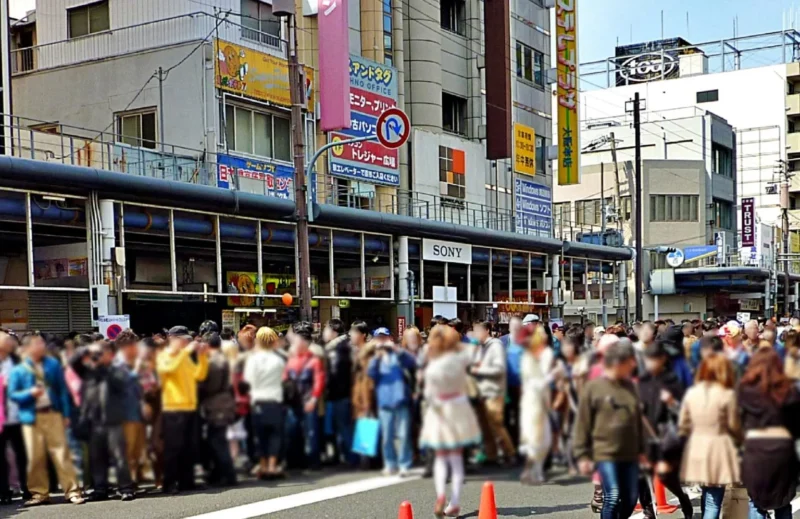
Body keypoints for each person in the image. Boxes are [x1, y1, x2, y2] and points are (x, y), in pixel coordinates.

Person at [9, 332, 84, 506]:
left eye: (42, 344)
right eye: (37, 344)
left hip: (52, 413)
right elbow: (12, 394)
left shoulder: (53, 364)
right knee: (35, 456)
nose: (42, 347)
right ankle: (39, 493)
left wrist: (65, 414)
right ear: (27, 348)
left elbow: (62, 391)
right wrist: (29, 393)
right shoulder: (19, 370)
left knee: (61, 454)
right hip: (31, 416)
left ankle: (72, 491)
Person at [573, 340, 643, 519]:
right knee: (613, 496)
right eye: (629, 362)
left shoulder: (631, 387)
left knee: (630, 498)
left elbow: (638, 420)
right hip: (605, 451)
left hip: (630, 452)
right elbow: (583, 423)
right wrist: (582, 454)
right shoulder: (594, 387)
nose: (633, 366)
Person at [419, 325, 481, 518]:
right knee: (456, 458)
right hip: (458, 407)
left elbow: (429, 392)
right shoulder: (460, 358)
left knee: (440, 457)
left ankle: (441, 495)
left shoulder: (433, 363)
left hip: (439, 408)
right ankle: (454, 501)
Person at [70, 340, 136, 502]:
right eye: (96, 354)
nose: (97, 357)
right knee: (96, 457)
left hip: (113, 420)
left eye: (102, 353)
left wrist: (105, 367)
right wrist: (86, 349)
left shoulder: (118, 370)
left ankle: (126, 488)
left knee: (119, 456)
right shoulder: (88, 371)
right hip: (93, 421)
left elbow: (121, 384)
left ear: (111, 355)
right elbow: (73, 362)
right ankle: (100, 489)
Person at [738, 348, 800, 519]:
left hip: (755, 448)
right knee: (783, 501)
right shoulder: (788, 390)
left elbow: (738, 422)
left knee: (756, 502)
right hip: (782, 448)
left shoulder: (744, 391)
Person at [678, 353, 741, 519]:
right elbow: (734, 426)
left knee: (707, 493)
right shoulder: (726, 395)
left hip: (696, 448)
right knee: (714, 500)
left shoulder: (692, 393)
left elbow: (683, 424)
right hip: (718, 448)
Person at [637, 342, 692, 519]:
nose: (650, 364)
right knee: (640, 476)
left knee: (666, 476)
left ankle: (684, 500)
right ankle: (648, 510)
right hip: (644, 434)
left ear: (662, 360)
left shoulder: (671, 380)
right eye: (647, 360)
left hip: (666, 436)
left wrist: (671, 403)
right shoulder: (642, 381)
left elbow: (684, 411)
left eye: (653, 360)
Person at [157, 326, 209, 494]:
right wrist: (186, 353)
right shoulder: (164, 356)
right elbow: (168, 370)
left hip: (190, 407)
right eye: (183, 340)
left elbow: (199, 375)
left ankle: (187, 481)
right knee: (173, 447)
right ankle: (169, 482)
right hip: (173, 408)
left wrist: (202, 357)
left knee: (189, 446)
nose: (187, 343)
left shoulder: (185, 357)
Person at [368, 327, 417, 476]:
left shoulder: (399, 354)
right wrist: (376, 356)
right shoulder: (375, 357)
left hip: (401, 398)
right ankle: (390, 463)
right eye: (379, 338)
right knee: (387, 436)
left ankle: (404, 464)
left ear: (390, 338)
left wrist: (396, 349)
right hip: (384, 400)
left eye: (385, 338)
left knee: (403, 435)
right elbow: (370, 374)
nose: (382, 341)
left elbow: (412, 363)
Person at [470, 321, 515, 465]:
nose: (475, 334)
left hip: (494, 392)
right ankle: (491, 455)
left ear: (487, 330)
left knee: (496, 425)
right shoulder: (480, 347)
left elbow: (499, 369)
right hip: (482, 392)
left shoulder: (495, 346)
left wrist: (479, 370)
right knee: (485, 426)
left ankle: (510, 453)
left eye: (478, 331)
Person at [244, 326, 285, 479]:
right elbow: (282, 379)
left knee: (260, 436)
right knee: (275, 435)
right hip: (275, 401)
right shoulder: (278, 360)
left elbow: (248, 380)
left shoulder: (253, 360)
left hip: (258, 402)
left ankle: (262, 465)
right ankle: (273, 466)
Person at [284, 321, 325, 470]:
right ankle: (296, 460)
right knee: (294, 432)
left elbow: (319, 380)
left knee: (311, 433)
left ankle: (312, 461)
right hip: (294, 400)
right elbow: (285, 378)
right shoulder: (292, 358)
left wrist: (314, 398)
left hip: (308, 400)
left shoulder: (314, 357)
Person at [198, 331, 237, 487]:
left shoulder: (213, 362)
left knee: (217, 441)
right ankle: (220, 473)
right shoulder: (222, 359)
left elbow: (210, 386)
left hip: (216, 405)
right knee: (217, 439)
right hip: (224, 403)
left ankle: (227, 475)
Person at [519, 324, 555, 484]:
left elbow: (546, 375)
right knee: (531, 434)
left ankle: (537, 468)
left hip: (542, 398)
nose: (544, 337)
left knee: (544, 436)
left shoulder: (547, 353)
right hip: (530, 398)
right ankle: (532, 468)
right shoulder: (527, 355)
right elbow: (526, 377)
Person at [113, 329, 146, 487]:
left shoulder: (135, 361)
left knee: (136, 450)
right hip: (124, 414)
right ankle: (127, 482)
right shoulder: (116, 364)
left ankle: (134, 478)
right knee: (126, 450)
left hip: (138, 411)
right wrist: (137, 370)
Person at [322, 319, 355, 466]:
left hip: (339, 395)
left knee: (343, 428)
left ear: (333, 331)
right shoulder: (339, 347)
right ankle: (344, 457)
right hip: (341, 394)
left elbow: (335, 375)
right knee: (339, 428)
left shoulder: (337, 350)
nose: (323, 332)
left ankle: (350, 458)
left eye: (326, 329)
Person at [0, 332, 27, 502]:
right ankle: (4, 492)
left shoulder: (18, 362)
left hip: (18, 415)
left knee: (22, 454)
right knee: (0, 457)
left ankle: (27, 488)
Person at [504, 317, 525, 450]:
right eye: (513, 327)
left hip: (521, 387)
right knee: (507, 418)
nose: (515, 329)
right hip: (506, 386)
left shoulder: (526, 343)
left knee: (519, 417)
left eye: (518, 327)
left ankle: (518, 445)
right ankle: (511, 444)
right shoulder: (503, 341)